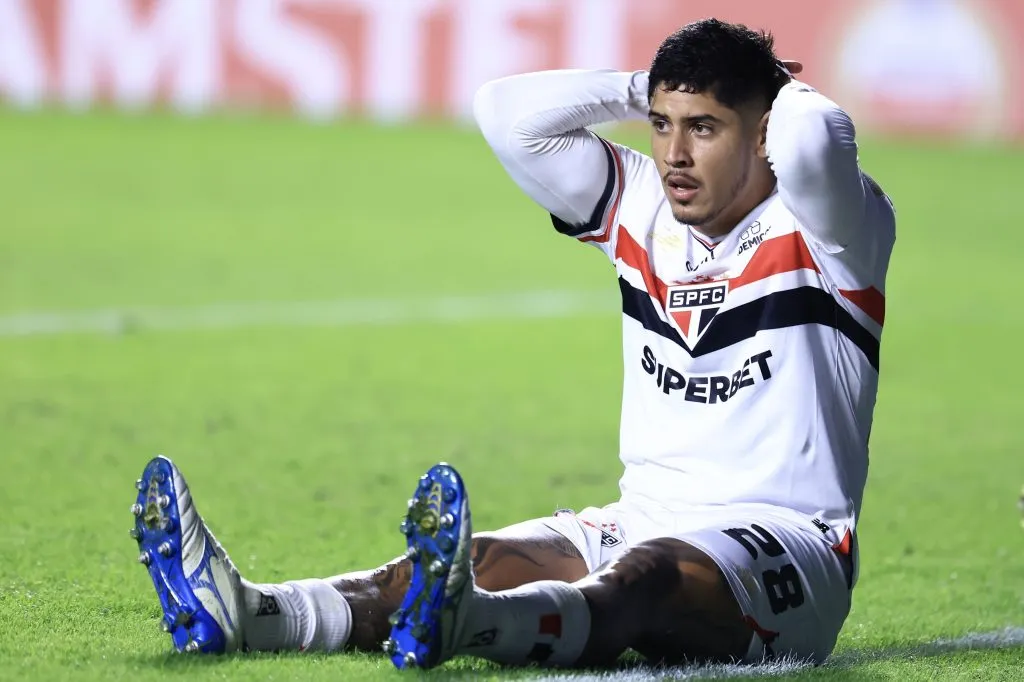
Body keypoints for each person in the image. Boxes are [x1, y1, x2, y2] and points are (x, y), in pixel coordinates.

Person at [128, 18, 895, 670]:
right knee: (468, 561)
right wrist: (646, 87)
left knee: (645, 579)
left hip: (788, 543)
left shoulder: (833, 232)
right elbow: (506, 112)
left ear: (762, 132)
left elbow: (817, 139)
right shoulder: (641, 208)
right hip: (645, 509)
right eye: (661, 126)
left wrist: (775, 87)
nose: (673, 156)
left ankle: (475, 625)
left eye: (704, 127)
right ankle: (253, 612)